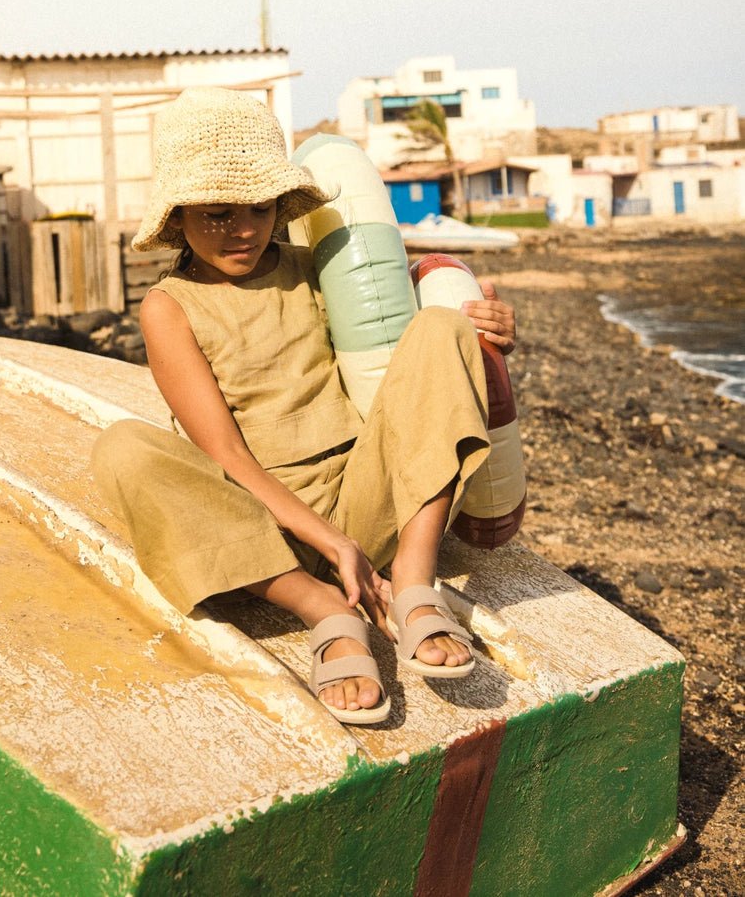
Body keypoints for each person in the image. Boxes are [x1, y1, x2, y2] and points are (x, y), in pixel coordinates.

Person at [91, 87, 516, 725]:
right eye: (217, 213)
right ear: (178, 216)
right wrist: (334, 545)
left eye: (260, 208)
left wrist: (486, 326)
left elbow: (392, 346)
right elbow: (225, 454)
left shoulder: (316, 266)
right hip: (263, 533)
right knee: (123, 447)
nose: (242, 230)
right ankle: (323, 608)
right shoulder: (169, 306)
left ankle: (412, 577)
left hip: (365, 496)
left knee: (441, 328)